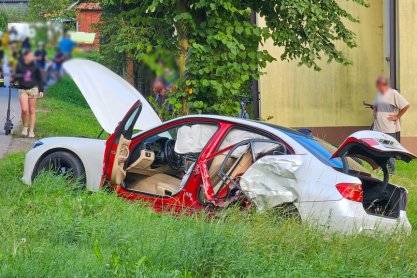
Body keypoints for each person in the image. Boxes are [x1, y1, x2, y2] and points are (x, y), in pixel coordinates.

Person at [372, 76, 410, 174]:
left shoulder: (393, 93)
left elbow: (406, 105)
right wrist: (375, 111)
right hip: (378, 128)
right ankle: (381, 169)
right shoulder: (379, 94)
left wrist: (397, 116)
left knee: (389, 150)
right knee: (379, 150)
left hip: (389, 128)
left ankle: (391, 171)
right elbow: (375, 105)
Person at [11, 50, 44, 138]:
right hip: (22, 89)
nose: (31, 57)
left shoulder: (36, 66)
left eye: (32, 56)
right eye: (29, 56)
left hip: (33, 89)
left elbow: (40, 79)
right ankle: (25, 126)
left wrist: (41, 90)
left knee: (32, 110)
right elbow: (15, 76)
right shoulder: (20, 65)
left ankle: (31, 131)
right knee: (24, 110)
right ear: (25, 57)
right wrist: (12, 80)